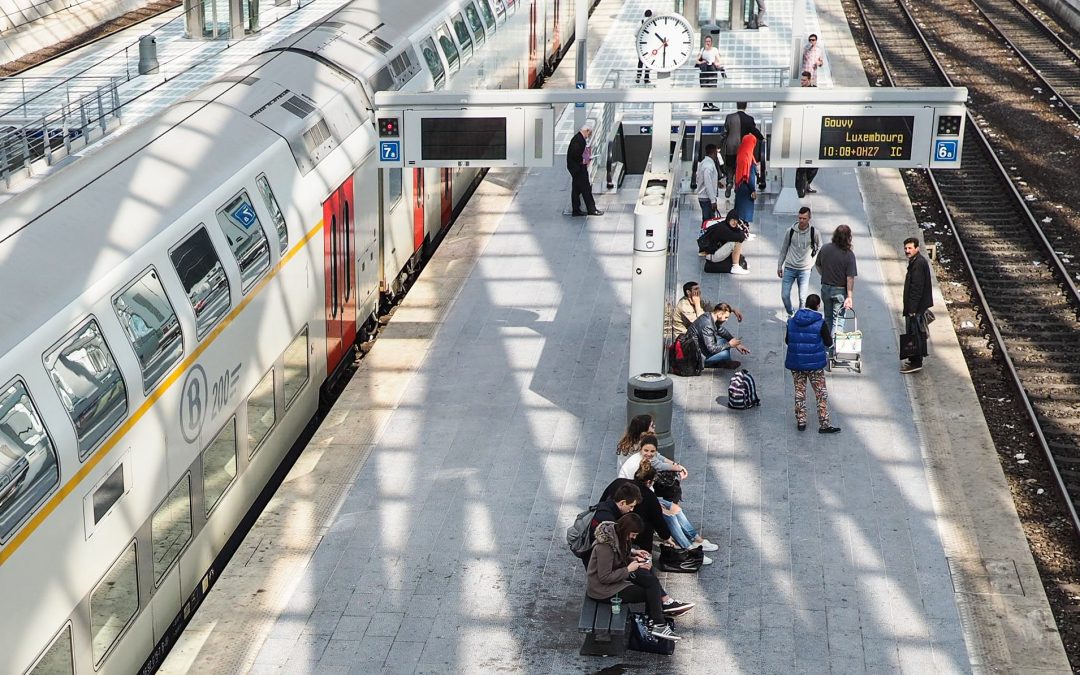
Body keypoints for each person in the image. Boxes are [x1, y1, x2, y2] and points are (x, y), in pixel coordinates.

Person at [585, 515, 694, 643]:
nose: (634, 537)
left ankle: (658, 617)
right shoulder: (605, 547)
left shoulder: (618, 536)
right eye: (633, 534)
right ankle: (659, 621)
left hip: (615, 581)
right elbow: (604, 577)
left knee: (650, 580)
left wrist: (634, 556)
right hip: (603, 591)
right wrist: (629, 569)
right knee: (650, 591)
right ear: (625, 530)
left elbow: (619, 557)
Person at [633, 463, 718, 558]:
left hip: (647, 501)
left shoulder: (643, 485)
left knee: (673, 508)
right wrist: (666, 536)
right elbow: (656, 518)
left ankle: (696, 539)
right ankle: (689, 548)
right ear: (649, 481)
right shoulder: (646, 492)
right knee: (670, 516)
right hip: (640, 510)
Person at [785, 294, 841, 433]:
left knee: (799, 392)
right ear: (818, 305)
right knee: (820, 393)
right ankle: (824, 424)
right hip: (815, 366)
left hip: (796, 363)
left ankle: (801, 422)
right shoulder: (820, 323)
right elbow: (828, 342)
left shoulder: (792, 321)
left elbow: (787, 340)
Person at [601, 470, 677, 554]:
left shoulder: (617, 482)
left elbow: (602, 500)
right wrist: (666, 536)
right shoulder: (649, 495)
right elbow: (658, 519)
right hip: (638, 536)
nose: (632, 509)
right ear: (649, 481)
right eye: (631, 506)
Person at [579, 482, 642, 568]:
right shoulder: (608, 522)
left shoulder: (606, 505)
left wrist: (632, 551)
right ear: (622, 503)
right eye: (631, 506)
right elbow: (614, 548)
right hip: (596, 560)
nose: (632, 509)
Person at [777, 207, 822, 316]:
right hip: (789, 267)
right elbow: (784, 249)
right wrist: (779, 265)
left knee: (803, 298)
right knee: (784, 295)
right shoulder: (791, 231)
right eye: (800, 218)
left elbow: (820, 246)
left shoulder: (814, 232)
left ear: (809, 218)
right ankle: (791, 313)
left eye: (804, 218)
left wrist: (812, 262)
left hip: (804, 270)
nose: (802, 221)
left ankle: (800, 316)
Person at [816, 224, 857, 338]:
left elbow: (818, 265)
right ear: (848, 237)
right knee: (838, 320)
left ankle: (826, 345)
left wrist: (824, 274)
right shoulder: (849, 255)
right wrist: (849, 297)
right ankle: (835, 347)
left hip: (825, 288)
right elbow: (850, 278)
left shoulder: (825, 248)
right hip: (839, 291)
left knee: (828, 318)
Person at [901, 237, 934, 374]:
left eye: (910, 248)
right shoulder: (916, 261)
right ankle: (914, 359)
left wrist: (912, 309)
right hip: (916, 307)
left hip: (916, 308)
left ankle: (916, 361)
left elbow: (917, 288)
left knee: (915, 334)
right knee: (914, 333)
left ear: (917, 248)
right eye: (906, 248)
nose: (907, 251)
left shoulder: (918, 264)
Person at [688, 303, 750, 369]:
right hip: (695, 356)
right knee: (725, 354)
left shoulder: (709, 315)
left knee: (724, 340)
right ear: (720, 314)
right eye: (726, 317)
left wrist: (736, 344)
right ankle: (709, 364)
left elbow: (721, 330)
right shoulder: (707, 326)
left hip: (699, 346)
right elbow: (712, 349)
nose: (726, 320)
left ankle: (720, 362)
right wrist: (729, 344)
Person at [673, 282, 744, 336]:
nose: (699, 291)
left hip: (694, 331)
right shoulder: (684, 306)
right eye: (696, 289)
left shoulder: (697, 299)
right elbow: (702, 322)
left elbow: (713, 306)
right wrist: (697, 304)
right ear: (688, 292)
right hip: (684, 337)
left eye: (699, 288)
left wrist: (732, 310)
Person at [566, 122, 603, 217]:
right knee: (586, 188)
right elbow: (575, 154)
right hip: (578, 169)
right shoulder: (579, 140)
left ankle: (576, 210)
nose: (589, 136)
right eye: (589, 133)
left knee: (576, 190)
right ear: (586, 131)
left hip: (575, 168)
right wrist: (583, 160)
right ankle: (592, 209)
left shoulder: (577, 139)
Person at [618, 434, 688, 482]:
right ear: (641, 449)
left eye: (652, 451)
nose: (649, 454)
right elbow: (660, 466)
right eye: (646, 450)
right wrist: (679, 468)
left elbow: (659, 457)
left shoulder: (648, 456)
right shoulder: (641, 459)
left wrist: (675, 464)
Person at [722, 102, 756, 195]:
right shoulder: (750, 119)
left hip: (730, 147)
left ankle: (729, 183)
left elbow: (724, 132)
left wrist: (721, 144)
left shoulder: (729, 117)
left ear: (737, 106)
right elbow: (753, 132)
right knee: (739, 167)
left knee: (730, 166)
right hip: (743, 149)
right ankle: (737, 187)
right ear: (746, 106)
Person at [701, 209, 749, 275]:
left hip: (713, 253)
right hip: (713, 256)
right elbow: (741, 237)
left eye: (736, 220)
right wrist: (739, 230)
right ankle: (735, 267)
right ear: (729, 219)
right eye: (732, 220)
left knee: (735, 240)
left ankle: (737, 263)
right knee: (736, 243)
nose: (734, 222)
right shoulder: (723, 229)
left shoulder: (725, 225)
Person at [795, 71, 819, 197]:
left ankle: (807, 182)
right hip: (801, 130)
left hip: (812, 129)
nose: (802, 83)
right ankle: (801, 186)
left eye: (804, 80)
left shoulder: (815, 91)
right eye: (801, 80)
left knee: (815, 164)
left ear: (810, 80)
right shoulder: (798, 92)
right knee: (801, 164)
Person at [733, 134, 759, 228]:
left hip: (740, 186)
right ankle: (743, 231)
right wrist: (753, 189)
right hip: (747, 189)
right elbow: (750, 176)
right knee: (744, 213)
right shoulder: (748, 157)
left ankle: (741, 229)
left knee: (740, 210)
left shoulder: (741, 153)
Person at [696, 36, 725, 111]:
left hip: (712, 70)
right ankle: (705, 105)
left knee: (712, 87)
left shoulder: (715, 50)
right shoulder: (702, 50)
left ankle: (711, 104)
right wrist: (702, 62)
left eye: (709, 41)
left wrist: (715, 63)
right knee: (704, 87)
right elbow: (697, 61)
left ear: (711, 42)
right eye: (706, 41)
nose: (707, 43)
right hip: (705, 70)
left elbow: (719, 61)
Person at [695, 144, 723, 222]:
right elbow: (708, 184)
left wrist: (716, 183)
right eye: (716, 152)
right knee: (709, 222)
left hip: (705, 198)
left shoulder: (703, 163)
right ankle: (707, 233)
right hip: (707, 199)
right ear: (713, 152)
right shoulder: (708, 166)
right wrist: (713, 201)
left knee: (707, 220)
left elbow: (701, 178)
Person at [636, 9, 653, 84]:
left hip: (641, 45)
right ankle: (646, 78)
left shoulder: (641, 22)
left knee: (640, 61)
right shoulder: (652, 22)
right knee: (648, 61)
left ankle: (638, 76)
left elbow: (635, 33)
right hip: (649, 44)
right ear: (651, 15)